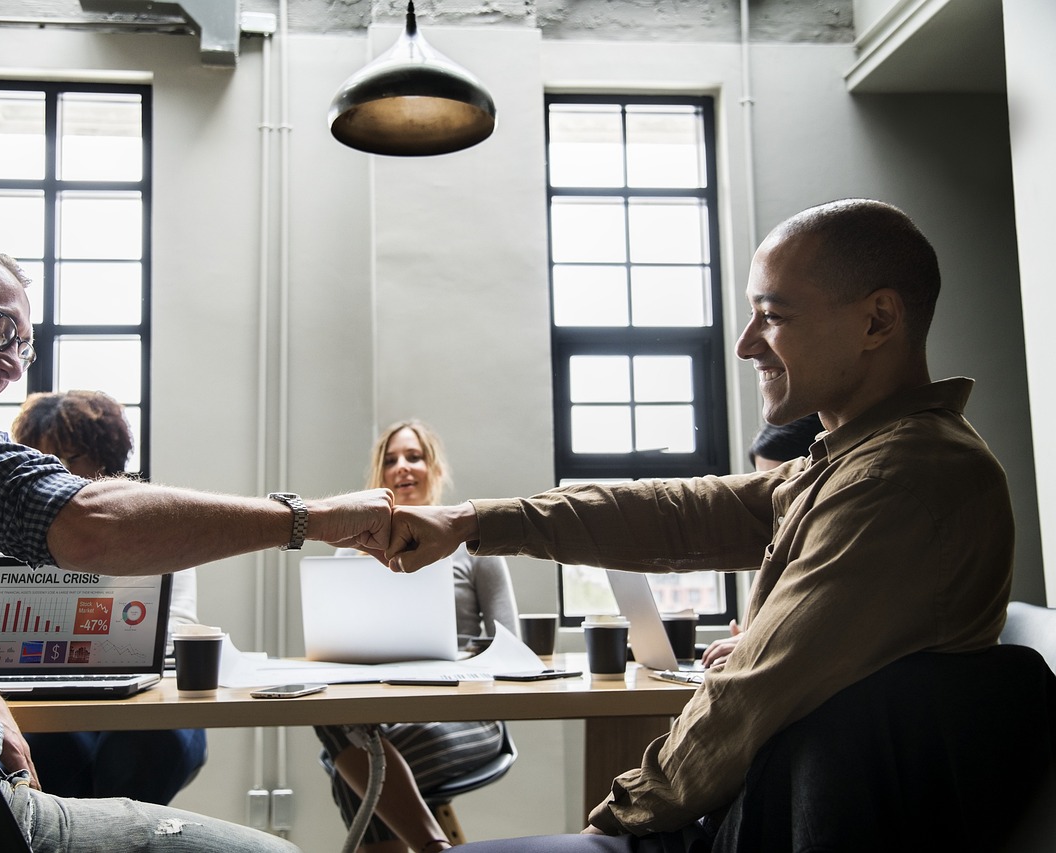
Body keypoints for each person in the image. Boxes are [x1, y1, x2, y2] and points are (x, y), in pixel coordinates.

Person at [381, 199, 1015, 847]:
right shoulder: (855, 461)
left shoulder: (898, 478)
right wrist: (467, 521)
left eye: (772, 315)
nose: (744, 344)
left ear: (877, 320)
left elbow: (746, 698)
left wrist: (611, 823)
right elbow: (679, 514)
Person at [0, 232, 392, 853]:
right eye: (0, 330)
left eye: (24, 346)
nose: (16, 364)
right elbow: (89, 526)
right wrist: (317, 517)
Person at [315, 420, 519, 853]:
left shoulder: (474, 545)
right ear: (379, 475)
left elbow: (511, 646)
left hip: (467, 714)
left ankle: (431, 848)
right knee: (328, 717)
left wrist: (456, 663)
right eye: (390, 460)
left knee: (354, 776)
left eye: (414, 456)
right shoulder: (351, 553)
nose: (402, 467)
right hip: (378, 710)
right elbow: (332, 645)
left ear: (434, 468)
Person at [10, 389, 208, 805]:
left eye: (71, 457)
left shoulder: (157, 527)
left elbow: (178, 629)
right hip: (56, 703)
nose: (54, 470)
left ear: (106, 460)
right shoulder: (14, 540)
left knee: (140, 747)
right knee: (42, 749)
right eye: (40, 458)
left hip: (149, 702)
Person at [701, 413, 824, 670]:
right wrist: (747, 638)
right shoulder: (772, 546)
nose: (773, 498)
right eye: (762, 484)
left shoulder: (823, 545)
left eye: (781, 484)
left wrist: (757, 641)